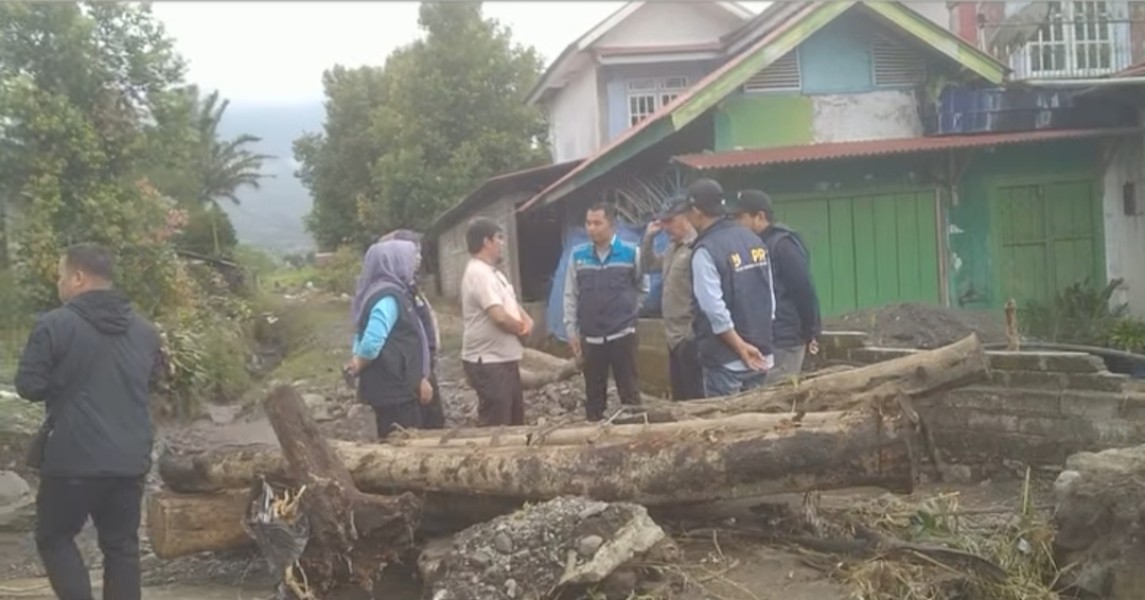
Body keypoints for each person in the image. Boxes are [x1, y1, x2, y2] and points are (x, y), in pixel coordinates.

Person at [15, 243, 163, 600]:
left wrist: (64, 383)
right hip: (130, 459)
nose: (59, 284)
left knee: (54, 537)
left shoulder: (54, 325)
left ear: (78, 277)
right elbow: (154, 382)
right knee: (121, 547)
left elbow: (29, 386)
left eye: (61, 276)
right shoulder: (145, 331)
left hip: (73, 459)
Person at [683, 178, 776, 396]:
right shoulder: (753, 240)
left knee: (725, 425)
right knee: (758, 422)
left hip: (726, 360)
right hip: (761, 353)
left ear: (696, 212)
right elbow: (769, 296)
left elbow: (714, 309)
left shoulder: (705, 251)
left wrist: (740, 346)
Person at [563, 202, 649, 421]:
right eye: (588, 223)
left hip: (622, 334)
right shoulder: (578, 256)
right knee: (593, 393)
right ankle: (594, 434)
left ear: (612, 225)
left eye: (597, 223)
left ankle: (635, 436)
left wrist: (628, 313)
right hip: (591, 338)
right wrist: (571, 331)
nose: (591, 228)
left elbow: (642, 287)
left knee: (629, 391)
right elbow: (570, 294)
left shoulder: (631, 253)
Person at [727, 190, 822, 383]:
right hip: (762, 338)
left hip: (785, 338)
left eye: (740, 217)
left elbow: (803, 289)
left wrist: (810, 331)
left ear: (759, 216)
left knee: (780, 397)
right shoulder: (753, 245)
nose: (736, 223)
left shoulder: (782, 245)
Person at [348, 240, 434, 438]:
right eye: (409, 259)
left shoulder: (387, 292)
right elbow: (370, 343)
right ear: (395, 262)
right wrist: (359, 362)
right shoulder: (388, 297)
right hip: (394, 390)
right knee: (401, 440)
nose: (413, 265)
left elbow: (360, 335)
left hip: (394, 387)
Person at [460, 218, 532, 426]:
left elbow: (510, 303)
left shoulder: (494, 274)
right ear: (486, 242)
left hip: (503, 359)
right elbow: (498, 316)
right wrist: (522, 330)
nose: (502, 243)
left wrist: (526, 319)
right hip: (488, 361)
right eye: (499, 238)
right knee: (498, 419)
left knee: (514, 416)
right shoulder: (478, 273)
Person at [379, 228, 445, 429]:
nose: (418, 258)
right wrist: (419, 377)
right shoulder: (390, 292)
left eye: (419, 251)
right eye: (413, 252)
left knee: (434, 422)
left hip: (424, 367)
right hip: (411, 375)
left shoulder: (410, 286)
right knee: (414, 429)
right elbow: (401, 339)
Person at [640, 196, 703, 401]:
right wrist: (649, 237)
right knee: (679, 393)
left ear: (685, 218)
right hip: (672, 335)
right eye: (663, 222)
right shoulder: (672, 248)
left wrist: (693, 331)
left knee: (694, 395)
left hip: (689, 335)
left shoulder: (697, 248)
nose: (665, 227)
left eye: (670, 221)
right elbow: (649, 265)